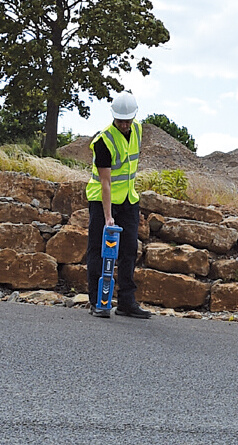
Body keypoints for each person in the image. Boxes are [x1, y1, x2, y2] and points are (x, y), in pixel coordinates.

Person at [85, 90, 151, 319]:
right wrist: (108, 216)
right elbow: (105, 183)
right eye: (120, 120)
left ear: (133, 117)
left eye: (127, 120)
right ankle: (97, 302)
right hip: (102, 200)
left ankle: (126, 302)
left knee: (129, 250)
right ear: (113, 116)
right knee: (98, 250)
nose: (124, 124)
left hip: (128, 199)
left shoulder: (138, 130)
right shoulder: (103, 140)